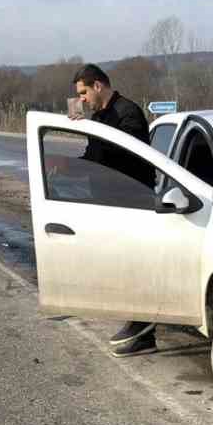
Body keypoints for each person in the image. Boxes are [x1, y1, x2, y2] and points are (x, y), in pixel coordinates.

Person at [71, 63, 158, 356]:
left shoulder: (127, 112)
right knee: (121, 267)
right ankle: (137, 324)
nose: (81, 100)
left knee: (136, 267)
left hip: (132, 201)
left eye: (83, 93)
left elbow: (126, 153)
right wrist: (66, 169)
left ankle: (143, 330)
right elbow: (93, 156)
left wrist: (92, 126)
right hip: (109, 202)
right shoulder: (99, 116)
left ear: (98, 86)